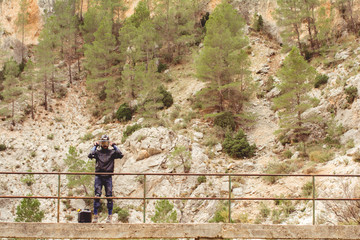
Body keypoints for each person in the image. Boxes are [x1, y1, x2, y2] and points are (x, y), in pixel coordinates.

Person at [88, 134, 123, 223]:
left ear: (108, 143)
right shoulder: (98, 152)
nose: (104, 145)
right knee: (97, 196)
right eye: (102, 143)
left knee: (109, 197)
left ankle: (109, 216)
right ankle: (95, 215)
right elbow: (90, 155)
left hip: (108, 176)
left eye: (106, 143)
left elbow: (120, 154)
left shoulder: (111, 152)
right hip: (99, 176)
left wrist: (114, 145)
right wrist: (95, 146)